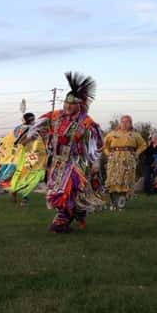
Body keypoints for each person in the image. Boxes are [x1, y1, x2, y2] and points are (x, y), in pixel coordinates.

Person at [25, 72, 104, 233]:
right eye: (66, 102)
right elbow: (37, 126)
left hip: (77, 163)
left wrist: (96, 163)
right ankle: (75, 214)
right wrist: (30, 135)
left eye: (72, 103)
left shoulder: (87, 123)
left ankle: (61, 222)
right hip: (57, 162)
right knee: (57, 192)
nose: (67, 106)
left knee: (64, 191)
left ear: (79, 105)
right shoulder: (55, 116)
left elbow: (97, 145)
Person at [0, 113, 47, 206]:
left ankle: (20, 198)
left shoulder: (24, 129)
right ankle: (19, 198)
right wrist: (31, 138)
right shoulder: (26, 129)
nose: (33, 121)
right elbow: (21, 142)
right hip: (23, 156)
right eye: (32, 119)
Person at [103, 115, 147, 210]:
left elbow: (143, 145)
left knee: (126, 180)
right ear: (120, 123)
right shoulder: (112, 134)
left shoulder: (135, 135)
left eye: (127, 122)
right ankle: (113, 202)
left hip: (128, 159)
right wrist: (108, 154)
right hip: (114, 159)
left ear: (131, 123)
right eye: (123, 121)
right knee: (113, 179)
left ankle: (121, 203)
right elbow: (104, 145)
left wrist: (136, 153)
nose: (125, 123)